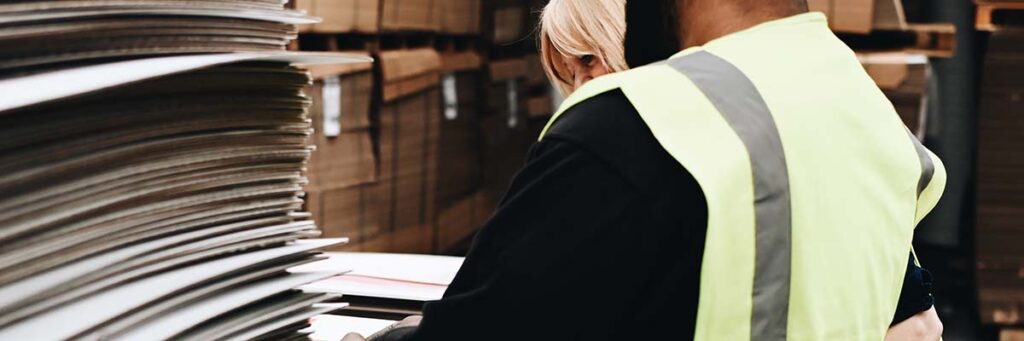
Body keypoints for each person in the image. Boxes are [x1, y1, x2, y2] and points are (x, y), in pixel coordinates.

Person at [344, 0, 946, 340]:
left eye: (582, 66)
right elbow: (919, 329)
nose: (576, 91)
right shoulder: (851, 112)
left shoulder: (634, 130)